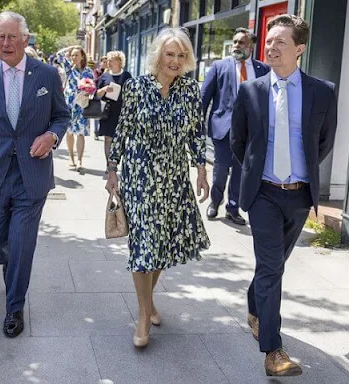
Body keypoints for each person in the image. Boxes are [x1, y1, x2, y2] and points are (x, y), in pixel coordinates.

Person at [231, 15, 337, 376]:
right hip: (262, 193)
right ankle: (273, 351)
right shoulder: (250, 91)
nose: (271, 47)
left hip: (299, 196)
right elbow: (238, 142)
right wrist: (257, 175)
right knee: (273, 267)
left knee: (273, 264)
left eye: (280, 42)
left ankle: (254, 304)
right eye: (269, 40)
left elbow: (323, 142)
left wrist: (299, 176)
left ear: (300, 49)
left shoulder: (323, 91)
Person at [0, 11, 69, 338]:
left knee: (22, 243)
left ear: (26, 39)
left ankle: (14, 308)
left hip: (31, 175)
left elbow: (61, 116)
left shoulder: (47, 75)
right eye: (0, 37)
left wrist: (51, 137)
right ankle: (8, 258)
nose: (6, 43)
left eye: (12, 36)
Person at [105, 27, 210, 348]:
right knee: (144, 244)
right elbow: (122, 130)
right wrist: (112, 170)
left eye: (181, 55)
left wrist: (202, 169)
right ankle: (142, 314)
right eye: (170, 54)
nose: (175, 61)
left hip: (174, 177)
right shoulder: (136, 87)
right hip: (139, 175)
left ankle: (148, 301)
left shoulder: (191, 91)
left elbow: (196, 131)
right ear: (158, 56)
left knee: (163, 244)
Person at [201, 28, 270, 226]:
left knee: (241, 171)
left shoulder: (262, 70)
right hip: (223, 128)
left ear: (251, 46)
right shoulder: (219, 66)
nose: (237, 46)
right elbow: (204, 98)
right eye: (235, 42)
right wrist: (196, 125)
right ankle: (215, 200)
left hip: (250, 131)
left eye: (241, 42)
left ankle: (233, 208)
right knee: (221, 168)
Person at [57, 45, 94, 171]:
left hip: (82, 105)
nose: (74, 57)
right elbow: (59, 55)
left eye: (76, 55)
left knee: (81, 133)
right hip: (69, 105)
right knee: (69, 132)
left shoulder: (88, 72)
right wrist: (72, 47)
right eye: (72, 55)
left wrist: (89, 91)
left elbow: (93, 88)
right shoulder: (69, 69)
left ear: (82, 56)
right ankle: (71, 157)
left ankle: (79, 160)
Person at [94, 50, 132, 163]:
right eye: (108, 60)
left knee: (120, 139)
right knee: (108, 139)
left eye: (111, 60)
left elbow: (132, 93)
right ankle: (109, 165)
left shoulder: (126, 75)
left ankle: (118, 162)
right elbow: (96, 93)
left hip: (122, 112)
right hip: (107, 112)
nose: (109, 62)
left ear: (119, 62)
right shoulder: (105, 76)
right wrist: (105, 89)